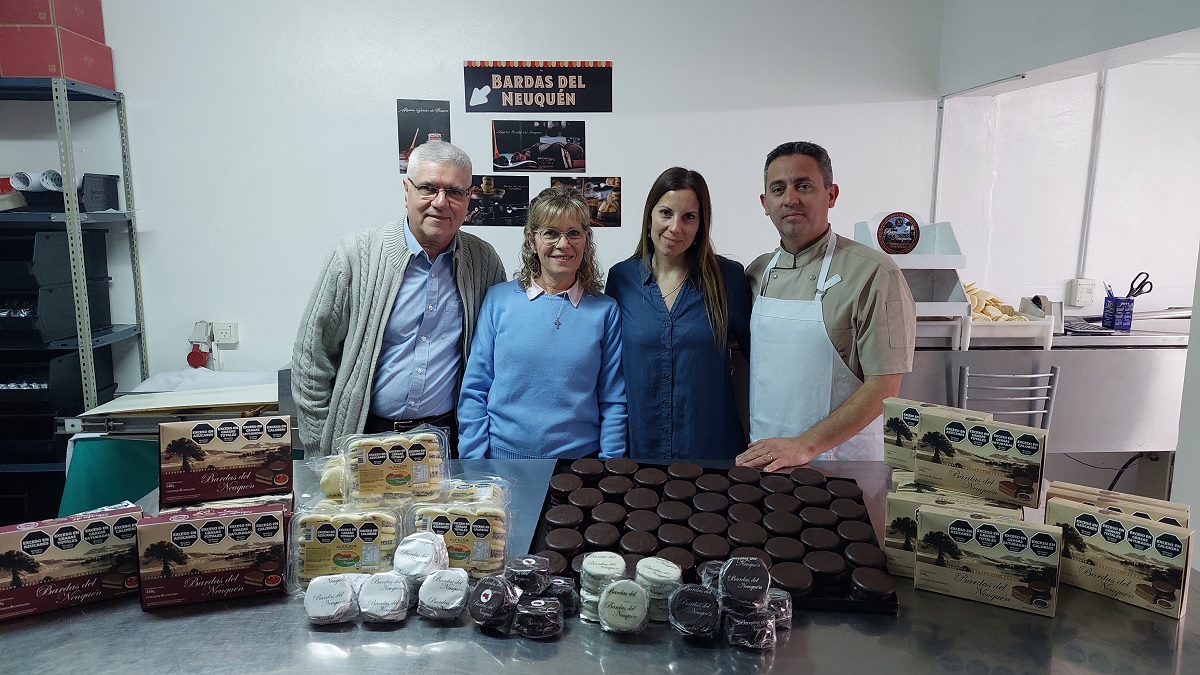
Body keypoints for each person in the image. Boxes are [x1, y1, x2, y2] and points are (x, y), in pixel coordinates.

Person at [292, 141, 507, 457]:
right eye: (428, 188)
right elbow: (312, 358)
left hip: (448, 445)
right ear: (406, 191)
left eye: (455, 192)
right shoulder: (355, 256)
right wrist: (322, 447)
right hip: (363, 442)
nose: (441, 202)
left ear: (469, 197)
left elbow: (495, 357)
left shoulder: (483, 261)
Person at [736, 141, 915, 470]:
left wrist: (804, 446)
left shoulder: (874, 273)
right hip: (766, 458)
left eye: (804, 186)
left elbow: (885, 387)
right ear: (765, 203)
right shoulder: (758, 273)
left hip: (843, 463)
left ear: (830, 194)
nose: (791, 199)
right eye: (778, 189)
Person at [457, 186, 627, 460]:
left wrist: (611, 465)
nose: (563, 244)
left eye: (574, 233)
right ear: (531, 240)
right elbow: (475, 389)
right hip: (502, 460)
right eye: (550, 233)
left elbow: (614, 399)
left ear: (586, 239)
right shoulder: (498, 300)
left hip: (581, 466)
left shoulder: (605, 311)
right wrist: (474, 463)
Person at [605, 167, 751, 461]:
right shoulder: (621, 279)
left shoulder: (729, 279)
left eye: (689, 217)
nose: (675, 228)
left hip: (712, 453)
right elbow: (607, 370)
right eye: (666, 213)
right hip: (639, 455)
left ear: (701, 225)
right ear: (650, 217)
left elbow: (760, 365)